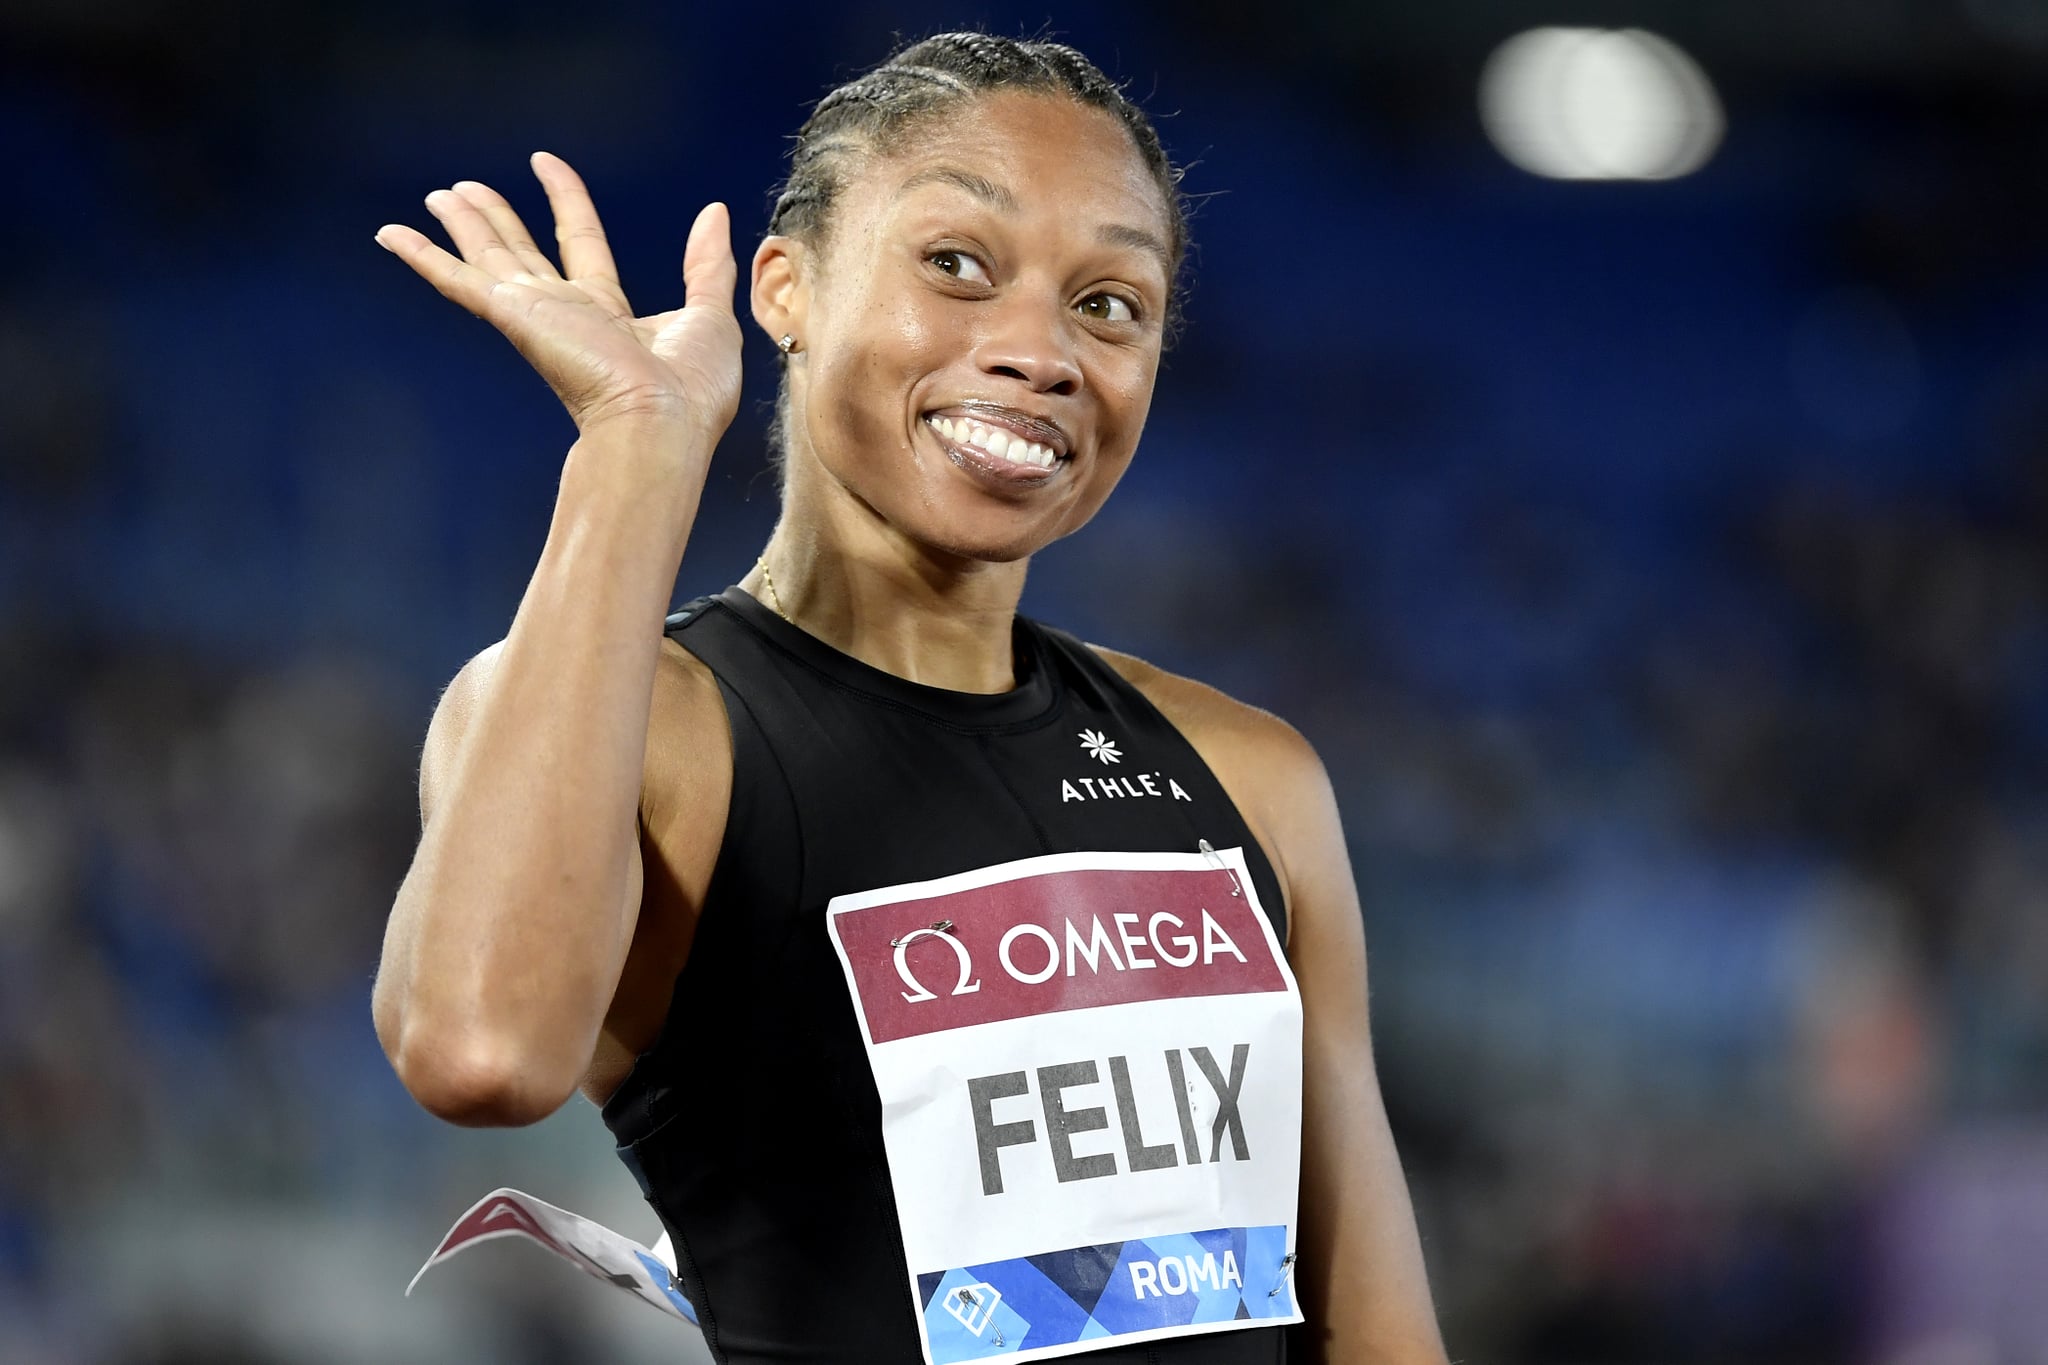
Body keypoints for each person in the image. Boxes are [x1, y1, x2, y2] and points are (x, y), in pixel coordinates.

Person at [370, 31, 1448, 1365]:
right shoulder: (657, 729)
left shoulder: (1253, 778)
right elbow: (477, 1050)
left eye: (1112, 303)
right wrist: (636, 448)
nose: (1040, 349)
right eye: (958, 265)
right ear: (787, 286)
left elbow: (1382, 1337)